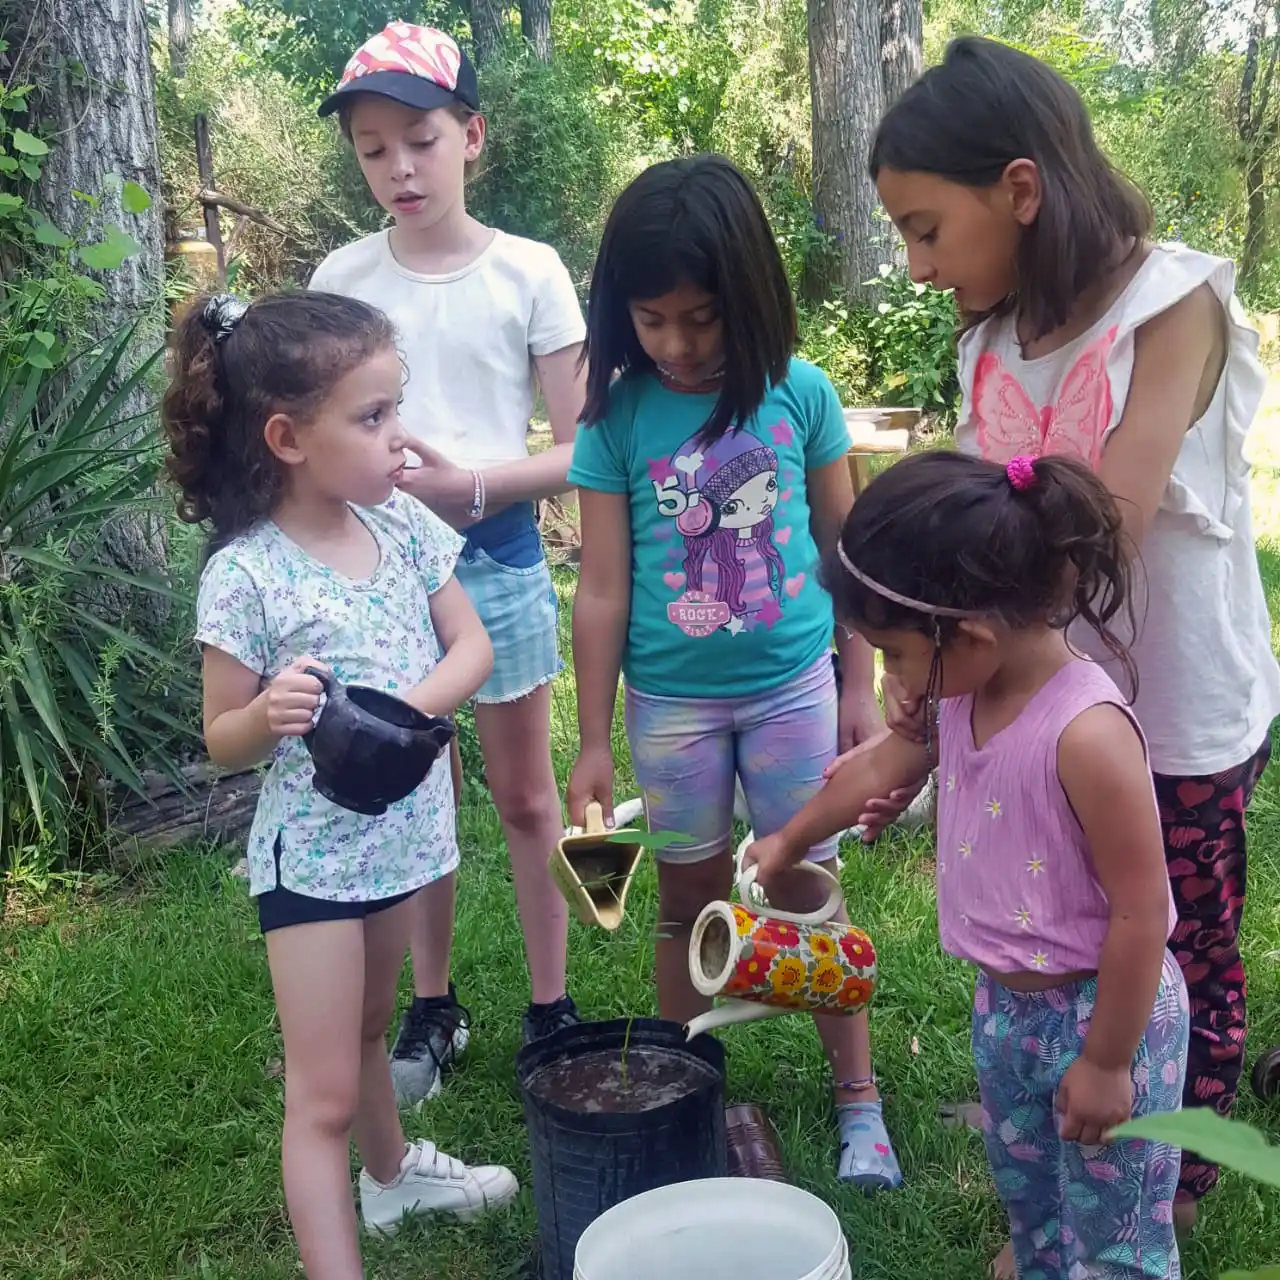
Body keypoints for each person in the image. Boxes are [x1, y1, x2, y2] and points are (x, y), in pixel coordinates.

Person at [860, 35, 1280, 1243]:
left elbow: (1110, 519)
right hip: (1039, 707)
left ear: (1020, 190)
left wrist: (950, 618)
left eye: (926, 228)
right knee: (1061, 923)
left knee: (1174, 934)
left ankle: (1166, 1172)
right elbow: (974, 537)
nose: (915, 261)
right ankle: (1062, 1129)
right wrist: (930, 655)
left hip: (1176, 704)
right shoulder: (985, 343)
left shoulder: (1173, 302)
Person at [749, 449, 1190, 1280]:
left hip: (1106, 1011)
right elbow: (887, 763)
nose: (892, 678)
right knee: (1029, 1195)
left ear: (972, 633)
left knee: (1117, 1226)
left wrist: (1105, 1061)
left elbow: (1140, 911)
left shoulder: (1087, 736)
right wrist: (788, 838)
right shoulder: (962, 689)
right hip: (1006, 1009)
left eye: (898, 653)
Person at [163, 291, 518, 1279]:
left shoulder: (400, 524)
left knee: (370, 1026)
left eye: (394, 407)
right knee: (318, 1094)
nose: (399, 438)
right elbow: (223, 736)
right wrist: (266, 713)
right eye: (371, 417)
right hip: (312, 862)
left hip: (399, 838)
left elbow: (474, 643)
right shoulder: (248, 574)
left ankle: (392, 1173)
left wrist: (394, 716)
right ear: (286, 437)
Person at [566, 154, 901, 1190]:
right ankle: (683, 1086)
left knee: (804, 882)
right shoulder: (614, 419)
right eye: (652, 320)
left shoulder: (801, 396)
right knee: (684, 897)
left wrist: (860, 685)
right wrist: (588, 738)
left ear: (748, 296)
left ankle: (858, 1099)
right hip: (668, 706)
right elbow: (603, 589)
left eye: (701, 318)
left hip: (794, 685)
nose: (676, 343)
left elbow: (848, 556)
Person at [310, 22, 590, 1103]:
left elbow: (583, 448)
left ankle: (549, 1003)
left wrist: (470, 484)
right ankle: (432, 1003)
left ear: (471, 135)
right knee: (411, 781)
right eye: (372, 149)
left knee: (524, 796)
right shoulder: (342, 276)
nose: (399, 168)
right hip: (374, 567)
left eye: (419, 139)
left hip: (497, 552)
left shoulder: (529, 271)